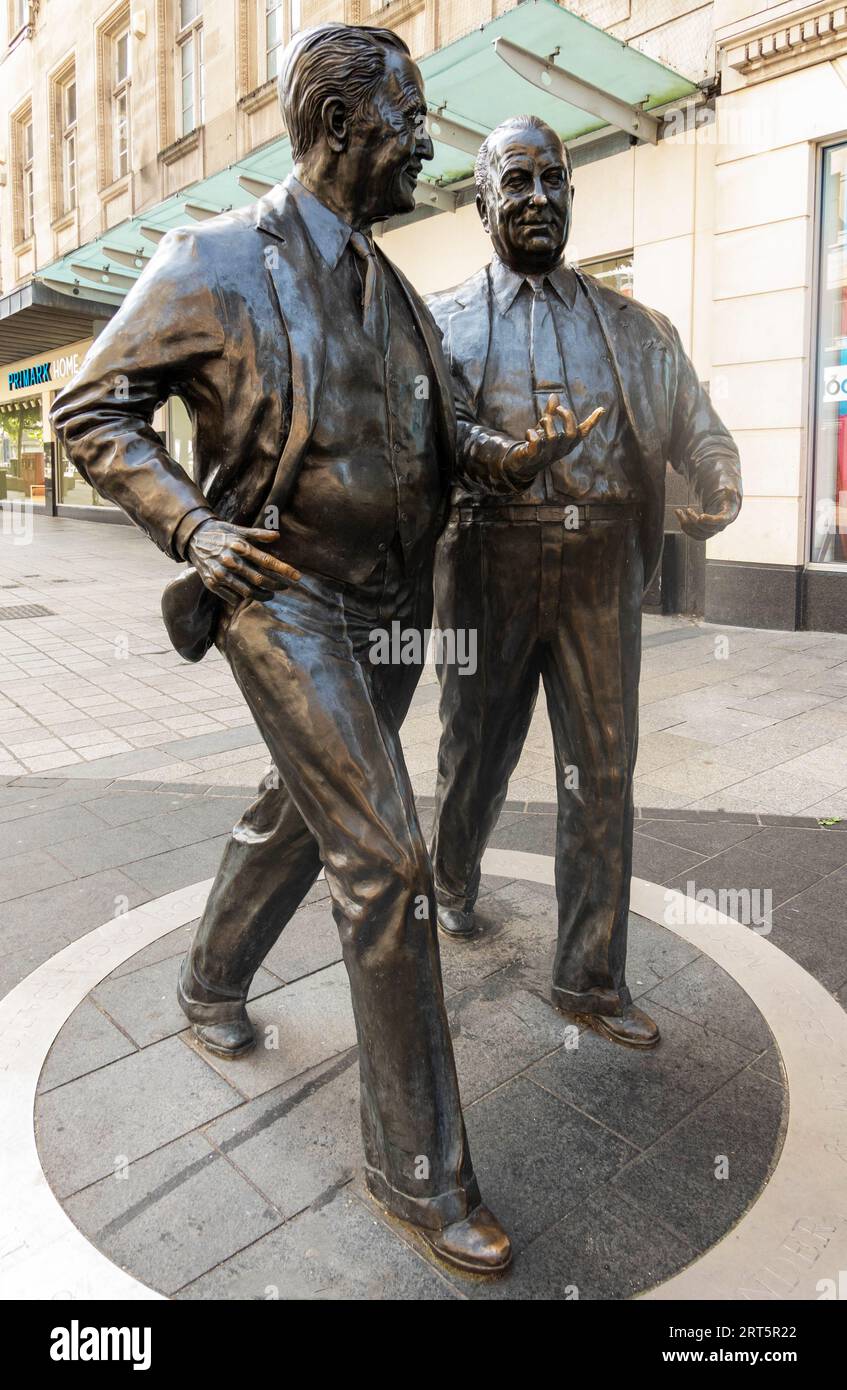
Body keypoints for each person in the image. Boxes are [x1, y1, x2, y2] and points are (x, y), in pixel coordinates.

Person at [51, 23, 512, 1276]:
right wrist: (191, 528)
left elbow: (434, 430)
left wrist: (498, 457)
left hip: (393, 604)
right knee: (386, 856)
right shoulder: (212, 259)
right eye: (409, 122)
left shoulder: (395, 284)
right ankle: (420, 1173)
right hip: (282, 596)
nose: (426, 144)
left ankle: (210, 982)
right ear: (340, 129)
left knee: (301, 813)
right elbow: (88, 406)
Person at [428, 115, 742, 1049]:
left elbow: (697, 423)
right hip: (490, 558)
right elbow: (425, 441)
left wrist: (720, 476)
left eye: (551, 180)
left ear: (571, 191)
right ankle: (450, 877)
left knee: (602, 770)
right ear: (483, 202)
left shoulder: (637, 329)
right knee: (476, 750)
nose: (536, 199)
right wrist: (497, 459)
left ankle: (589, 979)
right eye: (515, 183)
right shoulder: (441, 325)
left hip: (602, 566)